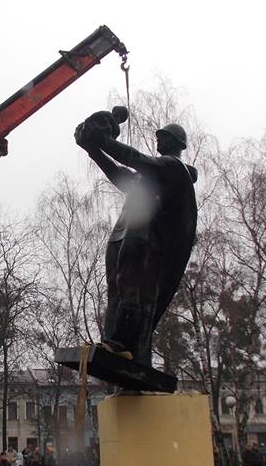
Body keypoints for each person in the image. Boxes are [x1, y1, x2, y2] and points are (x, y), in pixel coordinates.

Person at [75, 117, 198, 365]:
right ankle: (111, 341)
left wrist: (103, 141)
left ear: (177, 143)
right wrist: (93, 150)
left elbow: (136, 159)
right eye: (158, 136)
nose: (158, 139)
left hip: (143, 236)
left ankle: (123, 344)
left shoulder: (173, 167)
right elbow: (120, 175)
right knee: (115, 289)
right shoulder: (151, 179)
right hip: (123, 232)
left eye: (164, 136)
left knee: (130, 286)